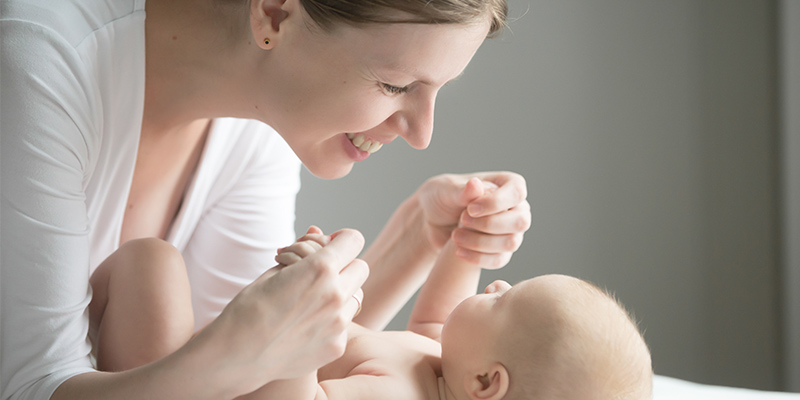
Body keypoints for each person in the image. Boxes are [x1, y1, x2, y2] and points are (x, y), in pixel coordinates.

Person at [0, 0, 532, 399]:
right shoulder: (42, 66)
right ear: (276, 12)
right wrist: (243, 349)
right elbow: (32, 388)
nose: (422, 134)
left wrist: (422, 232)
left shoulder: (261, 122)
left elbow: (262, 360)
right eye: (396, 86)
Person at [243, 209, 654, 399]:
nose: (498, 284)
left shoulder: (397, 395)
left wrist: (304, 318)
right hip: (234, 356)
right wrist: (470, 242)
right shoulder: (449, 368)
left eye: (504, 301)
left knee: (172, 266)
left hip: (220, 381)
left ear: (485, 383)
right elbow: (438, 319)